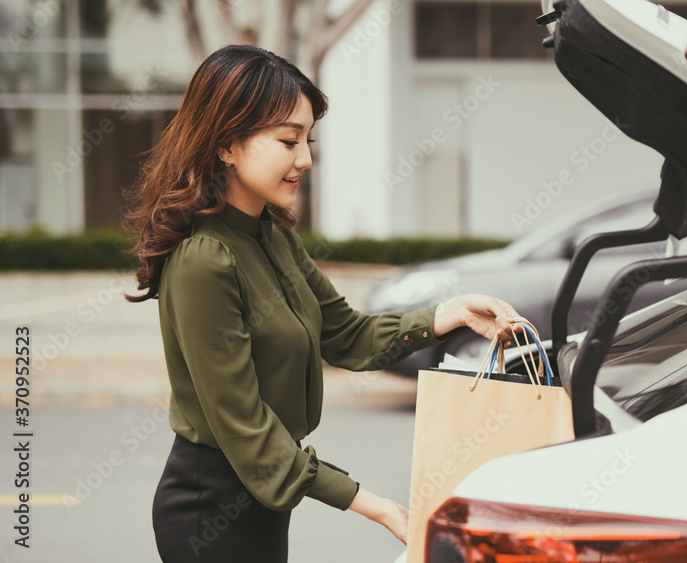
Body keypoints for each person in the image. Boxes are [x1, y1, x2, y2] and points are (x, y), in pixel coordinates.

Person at [123, 44, 522, 562]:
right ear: (225, 144)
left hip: (265, 498)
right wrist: (374, 505)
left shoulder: (274, 234)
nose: (305, 159)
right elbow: (247, 429)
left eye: (308, 141)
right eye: (288, 140)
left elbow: (346, 336)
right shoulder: (205, 259)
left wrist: (452, 314)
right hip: (210, 507)